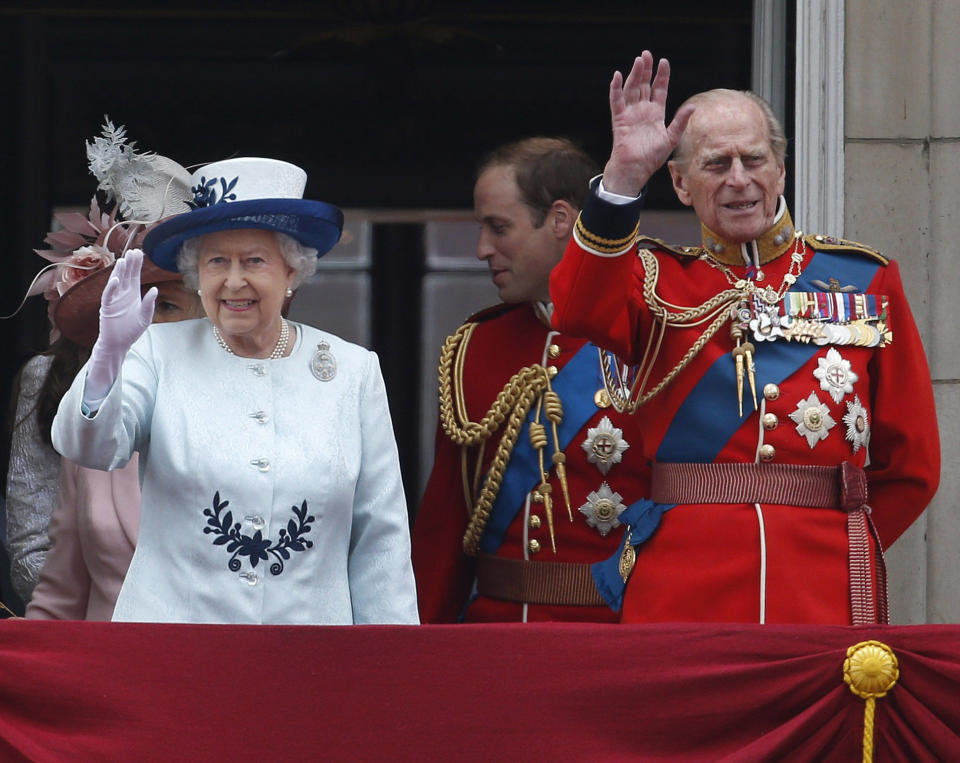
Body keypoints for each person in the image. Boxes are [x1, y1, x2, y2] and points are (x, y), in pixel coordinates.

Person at [549, 51, 941, 625]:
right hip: (682, 589)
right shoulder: (656, 280)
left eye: (754, 159)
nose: (740, 179)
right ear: (680, 183)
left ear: (780, 169)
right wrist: (624, 178)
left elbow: (912, 464)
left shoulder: (867, 279)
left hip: (823, 583)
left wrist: (842, 540)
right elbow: (576, 308)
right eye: (716, 165)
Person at [52, 156, 419, 625]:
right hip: (174, 649)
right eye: (216, 262)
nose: (233, 280)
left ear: (292, 272)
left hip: (312, 655)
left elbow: (381, 534)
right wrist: (109, 355)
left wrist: (388, 663)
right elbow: (91, 446)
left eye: (254, 261)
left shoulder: (353, 371)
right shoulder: (156, 353)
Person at [413, 138, 650, 623]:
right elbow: (444, 533)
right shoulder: (475, 348)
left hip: (622, 640)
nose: (482, 249)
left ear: (561, 220)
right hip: (495, 640)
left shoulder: (652, 334)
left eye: (499, 228)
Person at [6, 120, 196, 606]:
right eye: (134, 299)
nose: (145, 320)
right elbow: (42, 560)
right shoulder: (74, 401)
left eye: (167, 305)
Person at [27, 267, 204, 621]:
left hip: (223, 662)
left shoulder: (248, 430)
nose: (139, 324)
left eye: (165, 306)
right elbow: (62, 595)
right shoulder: (90, 432)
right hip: (110, 667)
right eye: (130, 307)